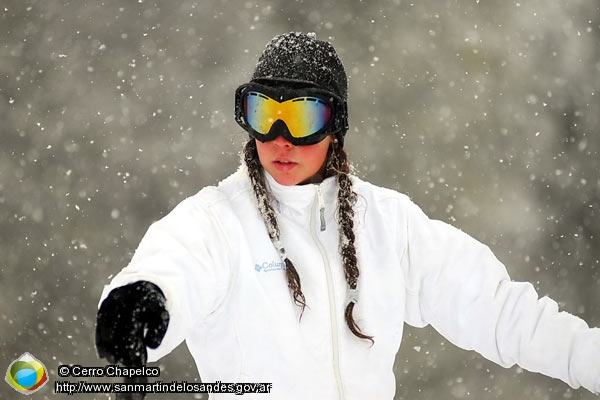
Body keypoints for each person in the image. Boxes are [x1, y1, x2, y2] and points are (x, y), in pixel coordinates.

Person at [95, 32, 600, 399]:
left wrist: (586, 358)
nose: (280, 139)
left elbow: (501, 313)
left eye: (302, 117)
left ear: (335, 125)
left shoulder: (386, 224)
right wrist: (139, 301)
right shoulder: (217, 223)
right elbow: (169, 269)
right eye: (263, 113)